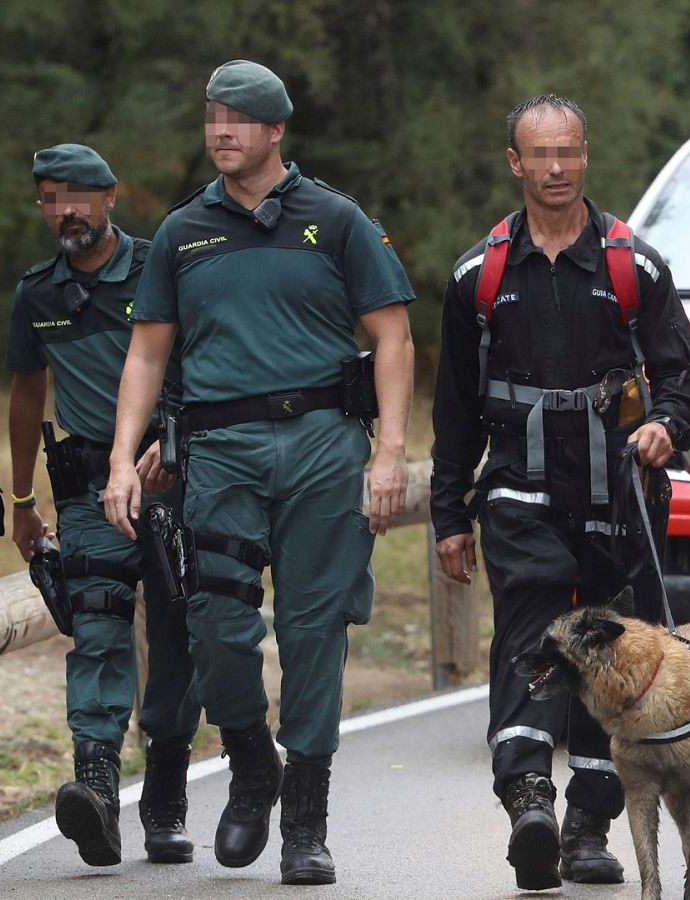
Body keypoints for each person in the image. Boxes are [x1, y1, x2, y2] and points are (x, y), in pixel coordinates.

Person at [103, 61, 415, 885]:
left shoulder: (336, 219)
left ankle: (306, 824)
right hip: (221, 453)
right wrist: (121, 456)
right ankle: (250, 762)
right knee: (214, 622)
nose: (221, 132)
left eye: (237, 120)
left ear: (276, 130)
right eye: (213, 117)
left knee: (315, 632)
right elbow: (146, 353)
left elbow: (392, 337)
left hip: (322, 448)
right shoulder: (183, 231)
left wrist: (390, 451)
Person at [430, 94, 690, 891]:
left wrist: (665, 426)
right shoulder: (477, 276)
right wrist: (449, 515)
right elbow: (453, 410)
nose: (555, 168)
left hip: (618, 491)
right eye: (540, 154)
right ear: (515, 163)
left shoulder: (635, 267)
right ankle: (528, 799)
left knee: (609, 648)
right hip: (518, 488)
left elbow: (689, 375)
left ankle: (589, 824)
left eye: (568, 153)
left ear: (585, 156)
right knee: (532, 621)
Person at [7, 144, 202, 868]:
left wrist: (177, 439)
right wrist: (22, 500)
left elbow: (203, 359)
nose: (63, 212)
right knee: (95, 623)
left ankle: (167, 799)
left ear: (110, 197)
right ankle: (95, 788)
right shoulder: (38, 295)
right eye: (49, 199)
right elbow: (27, 395)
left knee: (178, 636)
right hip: (89, 492)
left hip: (171, 481)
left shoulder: (161, 268)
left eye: (76, 196)